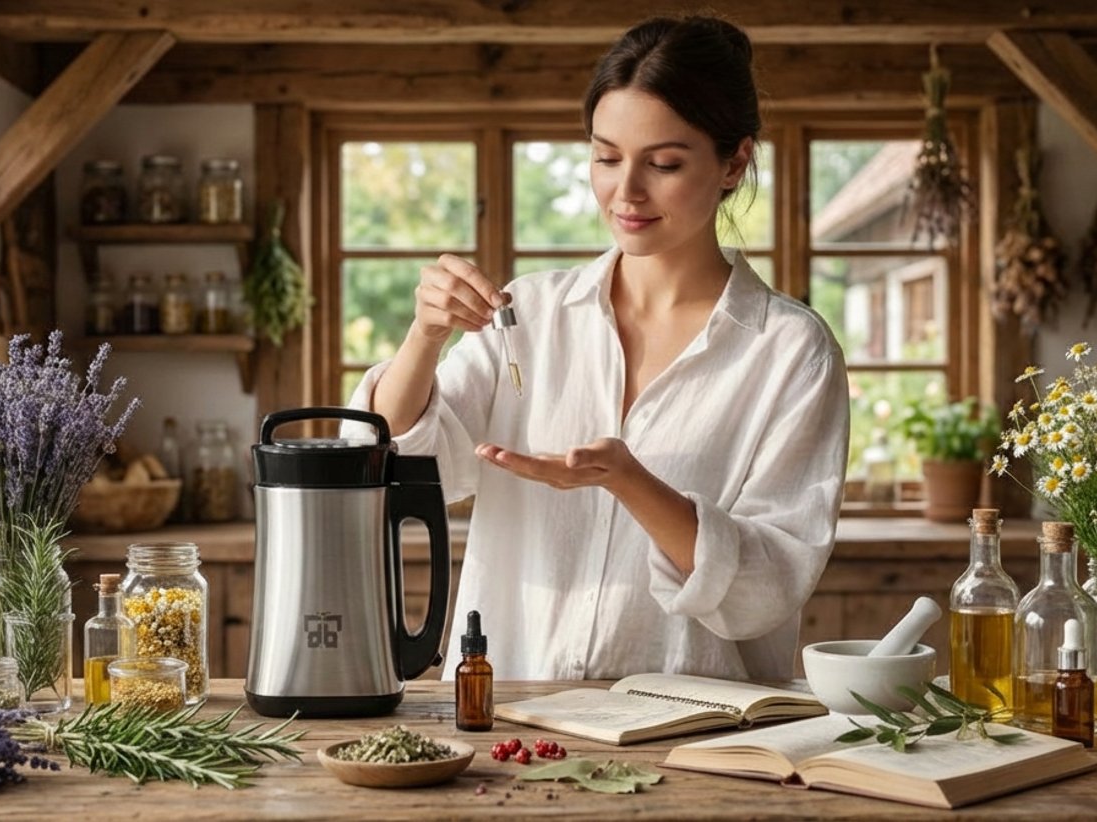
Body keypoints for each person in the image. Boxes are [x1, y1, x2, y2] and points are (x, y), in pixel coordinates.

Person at [346, 15, 848, 682]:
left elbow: (766, 591)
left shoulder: (791, 352)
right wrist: (424, 337)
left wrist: (630, 482)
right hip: (511, 715)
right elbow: (401, 469)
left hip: (696, 737)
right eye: (606, 157)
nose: (626, 191)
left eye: (664, 163)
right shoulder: (528, 315)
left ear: (734, 162)